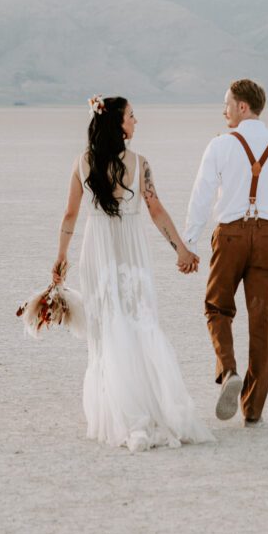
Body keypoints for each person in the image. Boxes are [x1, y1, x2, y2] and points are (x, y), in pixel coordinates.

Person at [52, 94, 215, 452]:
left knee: (109, 326)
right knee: (139, 322)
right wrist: (181, 249)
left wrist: (61, 258)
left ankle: (122, 412)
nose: (136, 121)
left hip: (97, 249)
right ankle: (148, 407)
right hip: (131, 250)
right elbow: (155, 210)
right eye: (131, 115)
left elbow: (69, 216)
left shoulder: (83, 163)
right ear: (117, 123)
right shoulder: (140, 164)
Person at [183, 79, 268, 427]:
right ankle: (252, 410)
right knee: (262, 324)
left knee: (217, 307)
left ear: (242, 107)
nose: (223, 111)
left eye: (227, 104)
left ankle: (229, 370)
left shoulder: (220, 145)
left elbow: (202, 196)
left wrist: (190, 243)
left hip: (231, 235)